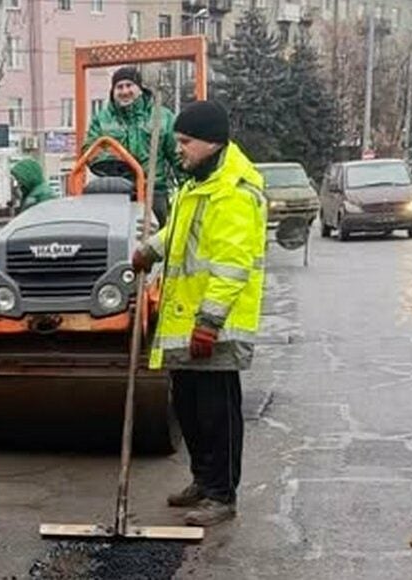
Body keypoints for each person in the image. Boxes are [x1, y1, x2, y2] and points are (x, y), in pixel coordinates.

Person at [132, 100, 266, 527]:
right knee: (188, 409)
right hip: (185, 320)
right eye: (177, 141)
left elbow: (231, 265)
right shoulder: (198, 184)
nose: (180, 149)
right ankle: (202, 480)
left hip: (216, 326)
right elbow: (179, 231)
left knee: (217, 414)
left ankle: (222, 493)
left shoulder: (235, 192)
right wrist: (150, 250)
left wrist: (209, 322)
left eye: (186, 142)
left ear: (212, 142)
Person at [83, 66, 179, 224]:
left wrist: (188, 186)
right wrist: (118, 164)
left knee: (156, 240)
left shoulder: (162, 117)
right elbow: (90, 150)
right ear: (113, 91)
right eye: (119, 87)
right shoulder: (102, 120)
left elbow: (177, 154)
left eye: (129, 85)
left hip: (153, 191)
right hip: (117, 193)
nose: (124, 91)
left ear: (140, 89)